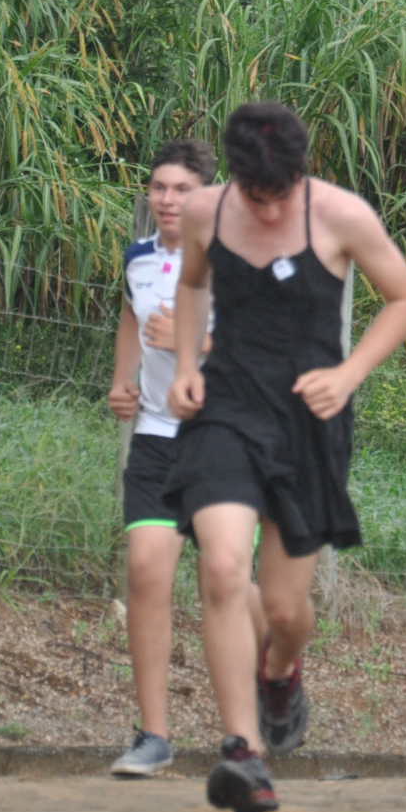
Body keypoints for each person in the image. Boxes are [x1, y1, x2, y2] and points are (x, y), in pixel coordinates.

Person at [165, 101, 406, 812]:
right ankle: (243, 752)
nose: (271, 207)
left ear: (301, 173)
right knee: (223, 567)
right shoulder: (206, 212)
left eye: (282, 193)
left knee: (284, 607)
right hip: (227, 409)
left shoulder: (343, 215)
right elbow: (191, 285)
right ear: (235, 177)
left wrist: (349, 375)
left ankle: (280, 670)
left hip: (309, 421)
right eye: (257, 195)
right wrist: (185, 365)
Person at [103, 138, 263, 779]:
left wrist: (193, 339)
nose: (168, 200)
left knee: (228, 581)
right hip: (155, 436)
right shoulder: (138, 258)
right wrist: (123, 380)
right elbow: (130, 316)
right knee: (146, 570)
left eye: (182, 189)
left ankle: (274, 668)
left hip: (223, 438)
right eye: (159, 188)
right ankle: (154, 735)